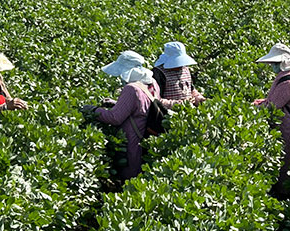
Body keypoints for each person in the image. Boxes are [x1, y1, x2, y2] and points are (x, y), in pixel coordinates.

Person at [82, 51, 162, 180]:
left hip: (133, 142)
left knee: (131, 178)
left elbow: (115, 118)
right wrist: (116, 103)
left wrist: (93, 110)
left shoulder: (131, 89)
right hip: (148, 137)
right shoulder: (152, 82)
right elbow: (143, 107)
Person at [253, 43, 290, 188]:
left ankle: (282, 190)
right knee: (286, 156)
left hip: (286, 126)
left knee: (285, 158)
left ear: (282, 63)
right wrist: (263, 101)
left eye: (274, 63)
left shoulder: (288, 82)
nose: (272, 66)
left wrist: (258, 106)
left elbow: (273, 106)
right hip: (289, 124)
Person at [152, 42, 206, 106]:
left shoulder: (185, 69)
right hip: (168, 114)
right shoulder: (159, 73)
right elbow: (156, 100)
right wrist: (178, 104)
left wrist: (198, 98)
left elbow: (191, 89)